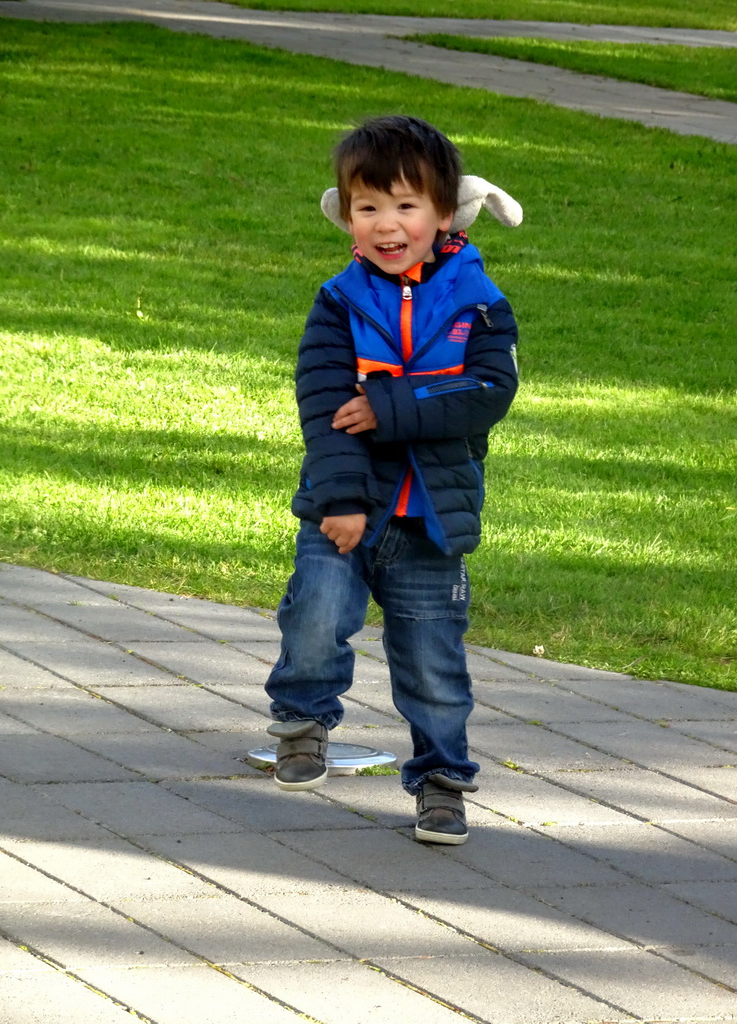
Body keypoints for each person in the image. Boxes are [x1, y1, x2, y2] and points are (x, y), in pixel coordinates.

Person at [264, 115, 521, 845]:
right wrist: (340, 500)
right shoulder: (339, 302)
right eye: (367, 207)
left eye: (406, 206)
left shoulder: (480, 305)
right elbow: (323, 407)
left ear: (446, 214)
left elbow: (485, 395)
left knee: (433, 662)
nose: (386, 224)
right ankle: (302, 721)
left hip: (431, 518)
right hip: (345, 508)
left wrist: (383, 404)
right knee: (314, 619)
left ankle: (442, 780)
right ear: (345, 214)